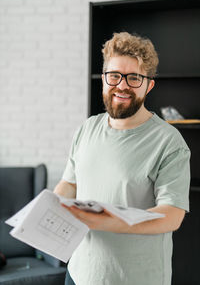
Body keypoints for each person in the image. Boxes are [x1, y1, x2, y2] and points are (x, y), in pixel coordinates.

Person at [54, 32, 190, 285]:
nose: (122, 85)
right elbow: (70, 183)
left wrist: (105, 222)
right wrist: (52, 206)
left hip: (135, 278)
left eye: (134, 78)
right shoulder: (88, 128)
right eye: (114, 75)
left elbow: (172, 215)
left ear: (148, 85)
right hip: (79, 272)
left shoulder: (169, 142)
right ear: (104, 79)